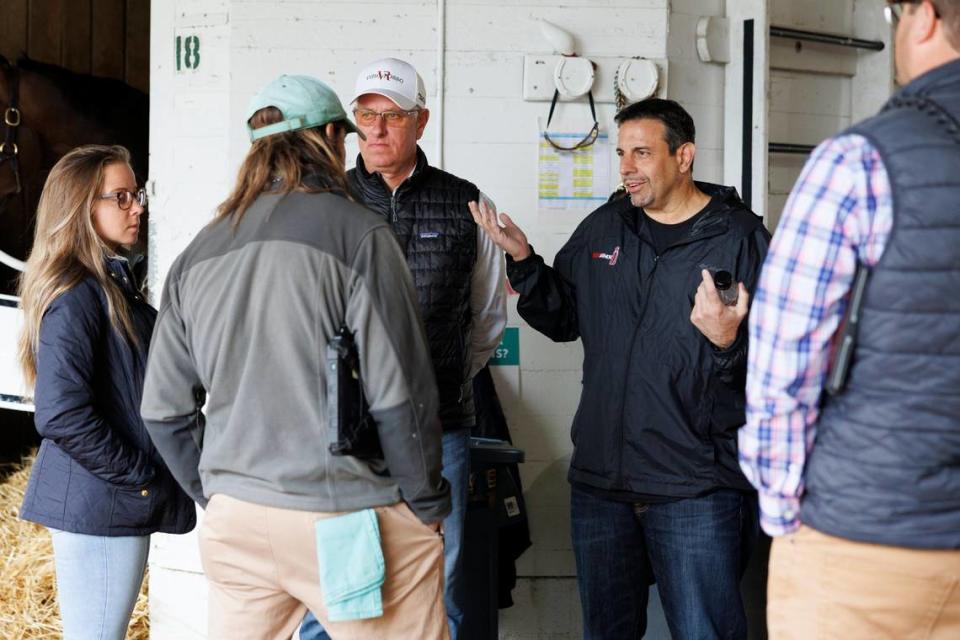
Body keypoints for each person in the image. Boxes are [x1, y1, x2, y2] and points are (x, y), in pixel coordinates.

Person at [140, 75, 451, 639]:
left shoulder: (199, 251)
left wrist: (220, 492)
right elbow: (400, 394)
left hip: (236, 524)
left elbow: (162, 410)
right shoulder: (359, 234)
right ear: (332, 137)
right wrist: (426, 502)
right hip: (342, 517)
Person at [472, 97, 770, 639]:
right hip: (602, 485)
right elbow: (564, 318)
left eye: (641, 153)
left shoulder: (741, 239)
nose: (626, 168)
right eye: (620, 154)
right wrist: (524, 262)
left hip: (696, 486)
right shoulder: (606, 227)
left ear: (684, 156)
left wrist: (728, 342)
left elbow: (781, 365)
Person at [741, 1, 960, 637]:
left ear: (923, 17)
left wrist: (787, 514)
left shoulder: (860, 161)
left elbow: (784, 362)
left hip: (867, 541)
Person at [300, 56, 507, 640]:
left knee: (442, 581)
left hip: (440, 426)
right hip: (344, 432)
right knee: (333, 588)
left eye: (393, 116)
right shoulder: (324, 202)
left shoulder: (467, 203)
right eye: (367, 115)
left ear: (421, 121)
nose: (378, 129)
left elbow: (487, 318)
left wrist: (435, 378)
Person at [16, 144, 195, 639]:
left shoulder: (112, 289)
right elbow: (60, 414)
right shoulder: (78, 295)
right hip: (101, 506)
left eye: (135, 194)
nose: (137, 206)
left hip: (106, 504)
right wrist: (139, 476)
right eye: (120, 197)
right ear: (82, 208)